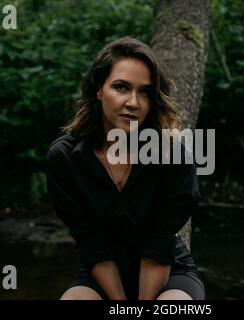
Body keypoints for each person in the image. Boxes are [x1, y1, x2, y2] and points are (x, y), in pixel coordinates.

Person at [46, 37, 205, 300]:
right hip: (104, 273)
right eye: (121, 87)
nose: (134, 102)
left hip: (168, 273)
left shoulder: (173, 156)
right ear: (99, 89)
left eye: (144, 92)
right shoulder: (65, 158)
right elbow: (92, 243)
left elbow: (158, 244)